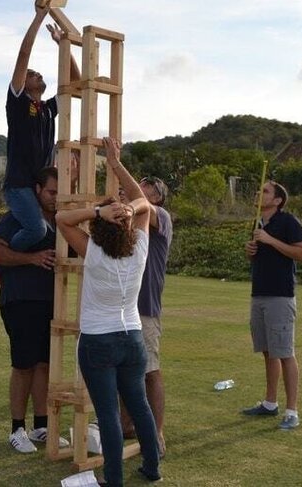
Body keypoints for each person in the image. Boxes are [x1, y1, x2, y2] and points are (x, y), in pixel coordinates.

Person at [57, 137, 162, 486]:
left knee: (108, 415)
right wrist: (128, 200)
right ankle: (152, 468)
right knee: (139, 404)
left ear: (100, 228)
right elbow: (145, 205)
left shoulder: (94, 252)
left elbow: (63, 219)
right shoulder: (141, 249)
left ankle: (113, 481)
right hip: (131, 338)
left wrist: (98, 212)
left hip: (98, 342)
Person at [0, 1, 79, 281]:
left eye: (38, 73)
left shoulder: (48, 108)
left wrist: (64, 46)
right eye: (33, 74)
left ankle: (11, 260)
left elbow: (78, 82)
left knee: (51, 228)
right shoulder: (19, 103)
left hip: (41, 185)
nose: (37, 74)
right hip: (20, 184)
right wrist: (38, 18)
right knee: (37, 230)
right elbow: (23, 55)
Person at [0, 167, 71, 453]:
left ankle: (41, 426)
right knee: (23, 366)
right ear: (37, 190)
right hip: (20, 301)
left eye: (61, 193)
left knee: (45, 365)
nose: (55, 198)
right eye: (51, 192)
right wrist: (32, 258)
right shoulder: (21, 216)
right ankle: (17, 429)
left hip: (51, 302)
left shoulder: (63, 220)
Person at [241, 180, 302, 431]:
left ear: (278, 200)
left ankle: (292, 411)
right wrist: (250, 251)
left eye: (265, 191)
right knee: (268, 351)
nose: (260, 193)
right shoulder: (258, 223)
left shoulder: (289, 221)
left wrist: (270, 240)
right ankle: (270, 403)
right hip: (258, 294)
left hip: (280, 296)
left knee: (285, 353)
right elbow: (257, 257)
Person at [118, 174, 172, 457]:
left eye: (143, 190)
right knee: (123, 370)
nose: (133, 194)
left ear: (157, 198)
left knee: (150, 372)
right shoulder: (125, 220)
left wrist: (115, 163)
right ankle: (126, 425)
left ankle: (157, 433)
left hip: (145, 309)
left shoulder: (160, 216)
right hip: (120, 308)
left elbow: (139, 202)